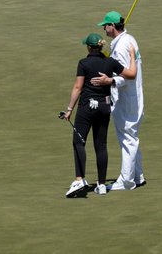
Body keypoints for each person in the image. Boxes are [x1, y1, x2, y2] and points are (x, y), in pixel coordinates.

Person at [62, 33, 125, 198]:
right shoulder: (110, 62)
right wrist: (111, 78)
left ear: (89, 47)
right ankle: (102, 185)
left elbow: (77, 87)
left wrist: (69, 109)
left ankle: (79, 179)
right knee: (101, 145)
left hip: (86, 108)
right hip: (105, 107)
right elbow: (127, 74)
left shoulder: (84, 63)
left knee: (78, 141)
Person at [92, 11, 145, 192]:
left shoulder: (122, 46)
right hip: (133, 97)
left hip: (126, 99)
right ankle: (137, 175)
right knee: (132, 137)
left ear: (112, 26)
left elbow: (126, 77)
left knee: (127, 138)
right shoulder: (129, 39)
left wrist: (110, 81)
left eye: (105, 26)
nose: (104, 29)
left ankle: (127, 181)